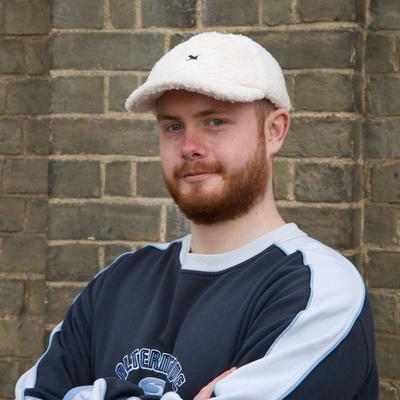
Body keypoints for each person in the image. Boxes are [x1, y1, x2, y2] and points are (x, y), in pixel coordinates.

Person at [15, 32, 378, 400]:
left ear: (274, 131)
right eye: (173, 126)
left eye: (214, 122)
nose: (189, 147)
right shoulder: (117, 281)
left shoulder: (319, 289)